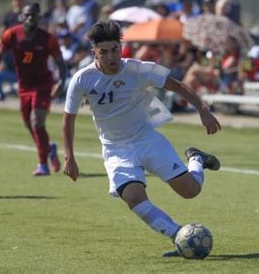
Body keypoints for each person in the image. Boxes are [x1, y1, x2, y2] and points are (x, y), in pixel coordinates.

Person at [62, 20, 222, 257]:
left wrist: (202, 109)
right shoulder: (81, 79)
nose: (111, 56)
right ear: (94, 51)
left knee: (190, 191)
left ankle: (196, 158)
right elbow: (68, 120)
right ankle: (179, 236)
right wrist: (70, 158)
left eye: (115, 49)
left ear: (121, 47)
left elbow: (176, 86)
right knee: (134, 197)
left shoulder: (137, 69)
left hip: (146, 139)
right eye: (104, 51)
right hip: (115, 149)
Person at [0, 3, 67, 176]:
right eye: (27, 15)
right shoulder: (11, 34)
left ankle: (42, 165)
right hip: (24, 86)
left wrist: (61, 82)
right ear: (21, 17)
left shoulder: (48, 39)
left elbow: (61, 64)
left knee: (37, 121)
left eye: (34, 15)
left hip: (43, 84)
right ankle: (49, 148)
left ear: (39, 18)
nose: (31, 18)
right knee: (30, 125)